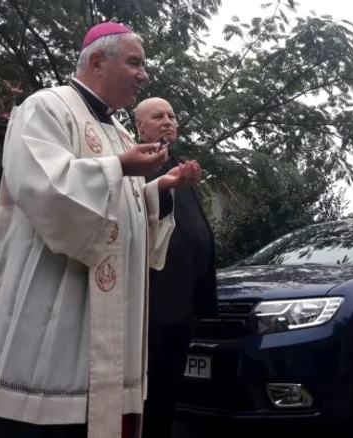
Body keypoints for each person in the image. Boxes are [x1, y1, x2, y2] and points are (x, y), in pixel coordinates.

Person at [0, 23, 201, 438]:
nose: (144, 75)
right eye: (134, 63)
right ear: (96, 61)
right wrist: (121, 167)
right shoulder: (46, 108)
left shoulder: (120, 132)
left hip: (105, 319)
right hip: (53, 313)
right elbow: (44, 188)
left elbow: (124, 208)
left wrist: (158, 191)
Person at [133, 97, 218, 438]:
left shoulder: (181, 166)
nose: (167, 121)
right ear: (139, 126)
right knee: (147, 390)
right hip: (152, 304)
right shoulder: (134, 163)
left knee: (170, 388)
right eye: (157, 116)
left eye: (171, 116)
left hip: (184, 305)